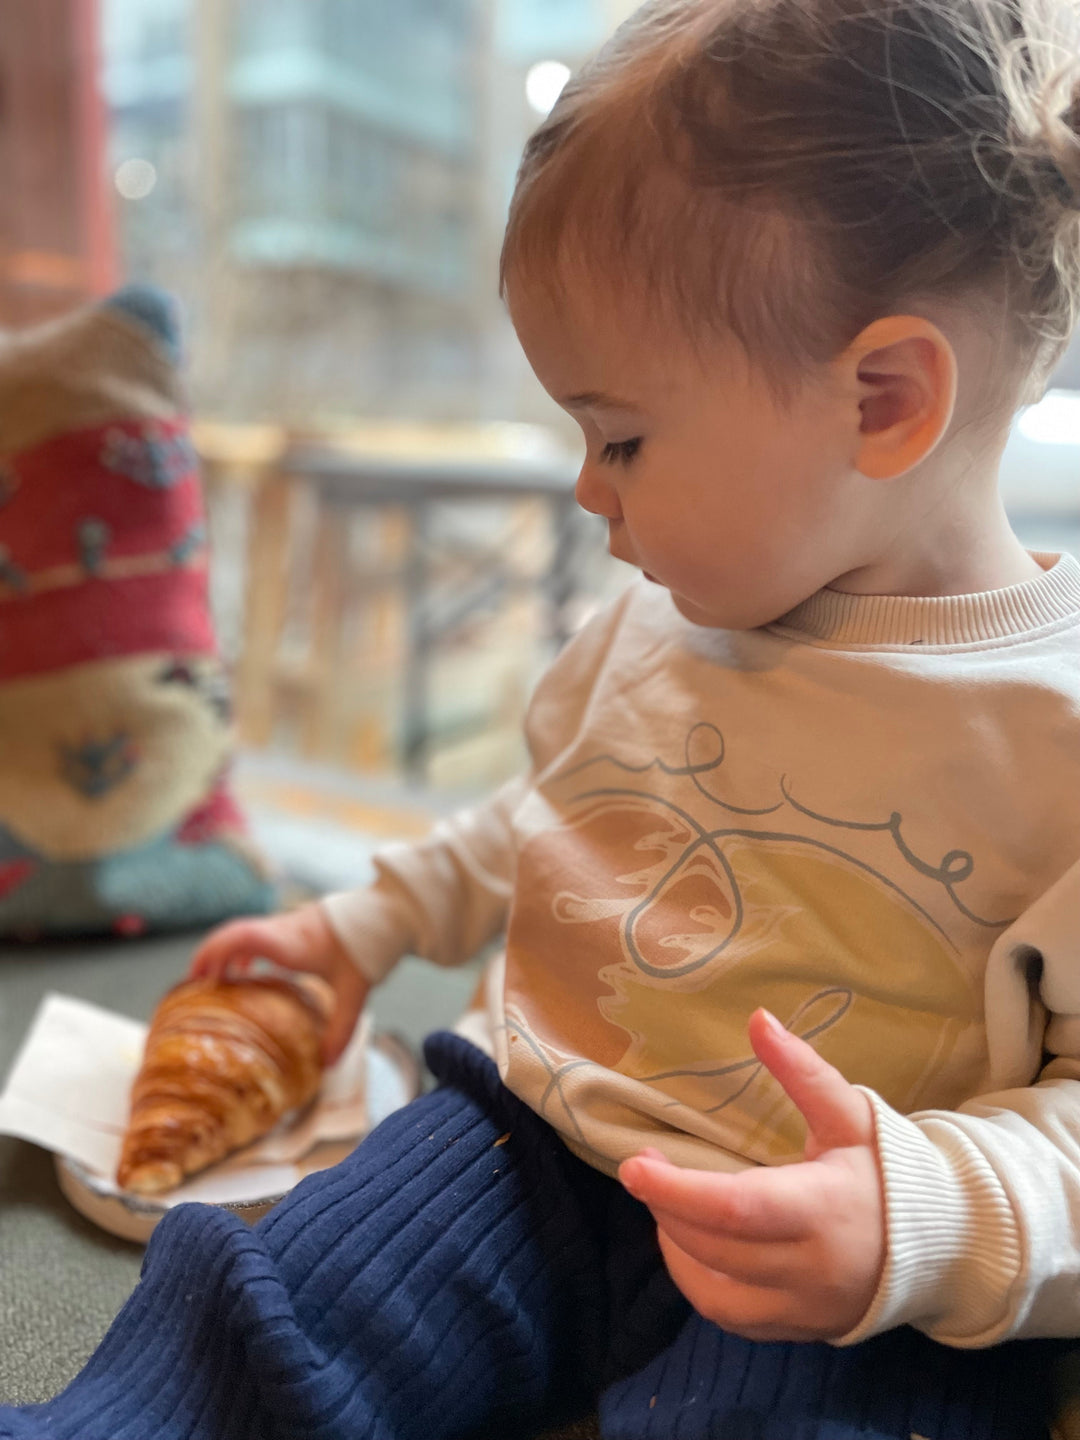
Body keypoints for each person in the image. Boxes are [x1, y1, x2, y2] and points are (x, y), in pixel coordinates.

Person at [4, 1, 1080, 1436]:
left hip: (845, 1279)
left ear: (883, 399)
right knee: (273, 1299)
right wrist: (362, 928)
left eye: (622, 435)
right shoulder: (651, 626)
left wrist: (921, 1215)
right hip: (525, 1144)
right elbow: (553, 821)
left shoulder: (1050, 732)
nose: (590, 488)